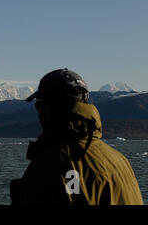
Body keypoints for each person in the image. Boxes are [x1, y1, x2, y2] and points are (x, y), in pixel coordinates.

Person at [10, 68, 143, 205]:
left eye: (38, 105)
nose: (38, 113)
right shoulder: (120, 161)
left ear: (48, 108)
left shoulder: (50, 166)